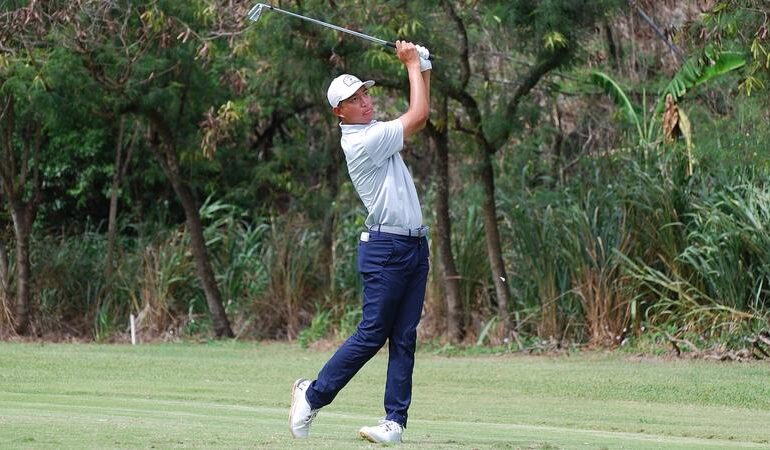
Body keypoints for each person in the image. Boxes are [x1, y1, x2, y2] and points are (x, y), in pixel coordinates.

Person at [289, 40, 432, 444]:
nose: (365, 102)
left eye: (366, 93)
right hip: (386, 250)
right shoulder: (362, 141)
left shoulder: (376, 132)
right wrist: (410, 65)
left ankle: (394, 423)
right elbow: (418, 115)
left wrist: (424, 67)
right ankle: (312, 396)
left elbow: (422, 110)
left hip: (415, 248)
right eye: (355, 99)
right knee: (373, 334)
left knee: (404, 337)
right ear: (340, 112)